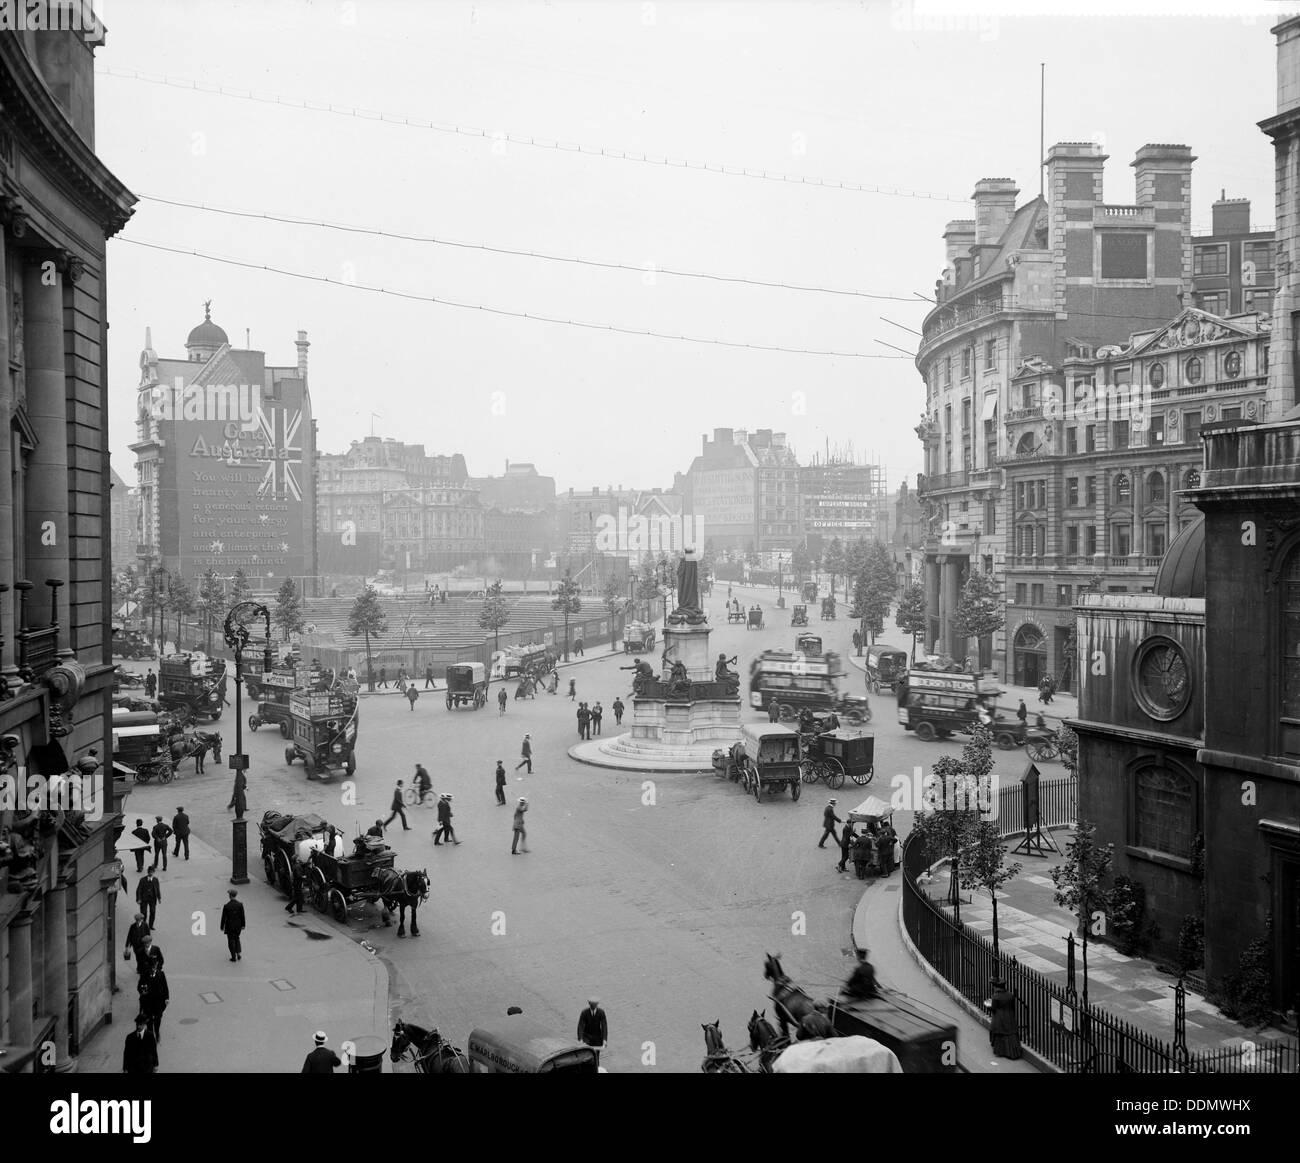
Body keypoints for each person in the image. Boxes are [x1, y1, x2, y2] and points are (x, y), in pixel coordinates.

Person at [137, 952, 169, 1043]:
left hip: (159, 1001)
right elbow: (139, 986)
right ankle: (151, 1034)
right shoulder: (144, 975)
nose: (154, 968)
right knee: (149, 1020)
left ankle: (157, 1032)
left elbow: (165, 987)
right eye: (152, 966)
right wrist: (142, 991)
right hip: (148, 1001)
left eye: (154, 965)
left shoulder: (161, 974)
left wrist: (166, 998)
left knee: (158, 1018)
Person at [987, 977, 1022, 1059]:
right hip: (1010, 1017)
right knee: (1010, 1033)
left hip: (999, 1018)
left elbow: (993, 1008)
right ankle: (1014, 1051)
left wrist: (988, 1006)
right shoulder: (1010, 995)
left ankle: (1001, 1051)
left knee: (999, 1033)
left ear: (996, 987)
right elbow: (1012, 1007)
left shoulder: (996, 996)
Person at [576, 997, 608, 1066]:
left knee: (596, 1056)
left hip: (597, 1037)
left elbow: (604, 1026)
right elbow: (581, 1026)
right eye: (592, 1005)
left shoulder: (601, 1012)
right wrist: (580, 1039)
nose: (593, 1006)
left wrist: (604, 1040)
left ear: (597, 1004)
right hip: (586, 1036)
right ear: (589, 1004)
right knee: (586, 1055)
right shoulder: (584, 1012)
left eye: (595, 1005)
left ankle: (596, 1067)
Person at [220, 888, 246, 961]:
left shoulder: (226, 906)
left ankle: (233, 956)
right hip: (238, 926)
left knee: (231, 940)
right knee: (237, 938)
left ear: (230, 896)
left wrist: (222, 927)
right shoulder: (240, 905)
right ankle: (238, 953)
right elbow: (242, 916)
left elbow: (223, 918)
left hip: (230, 926)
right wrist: (243, 925)